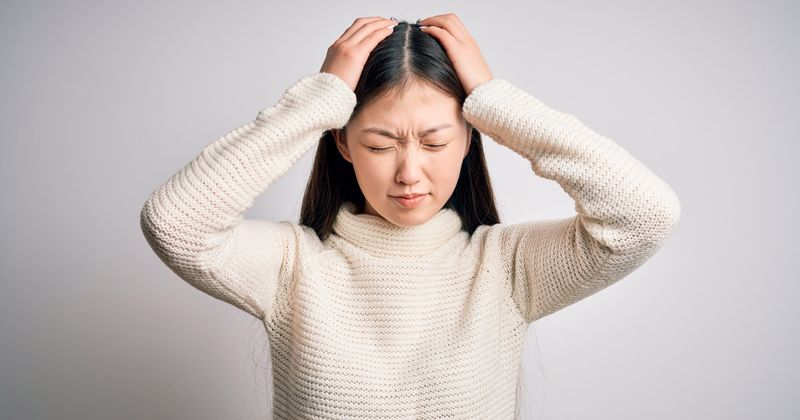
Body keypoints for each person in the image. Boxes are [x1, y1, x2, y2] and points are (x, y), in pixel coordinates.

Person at [140, 14, 681, 419]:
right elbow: (174, 224)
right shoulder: (292, 268)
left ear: (471, 137)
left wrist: (495, 100)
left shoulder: (507, 268)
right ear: (344, 144)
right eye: (380, 145)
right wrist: (317, 99)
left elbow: (644, 214)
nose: (409, 173)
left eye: (435, 141)